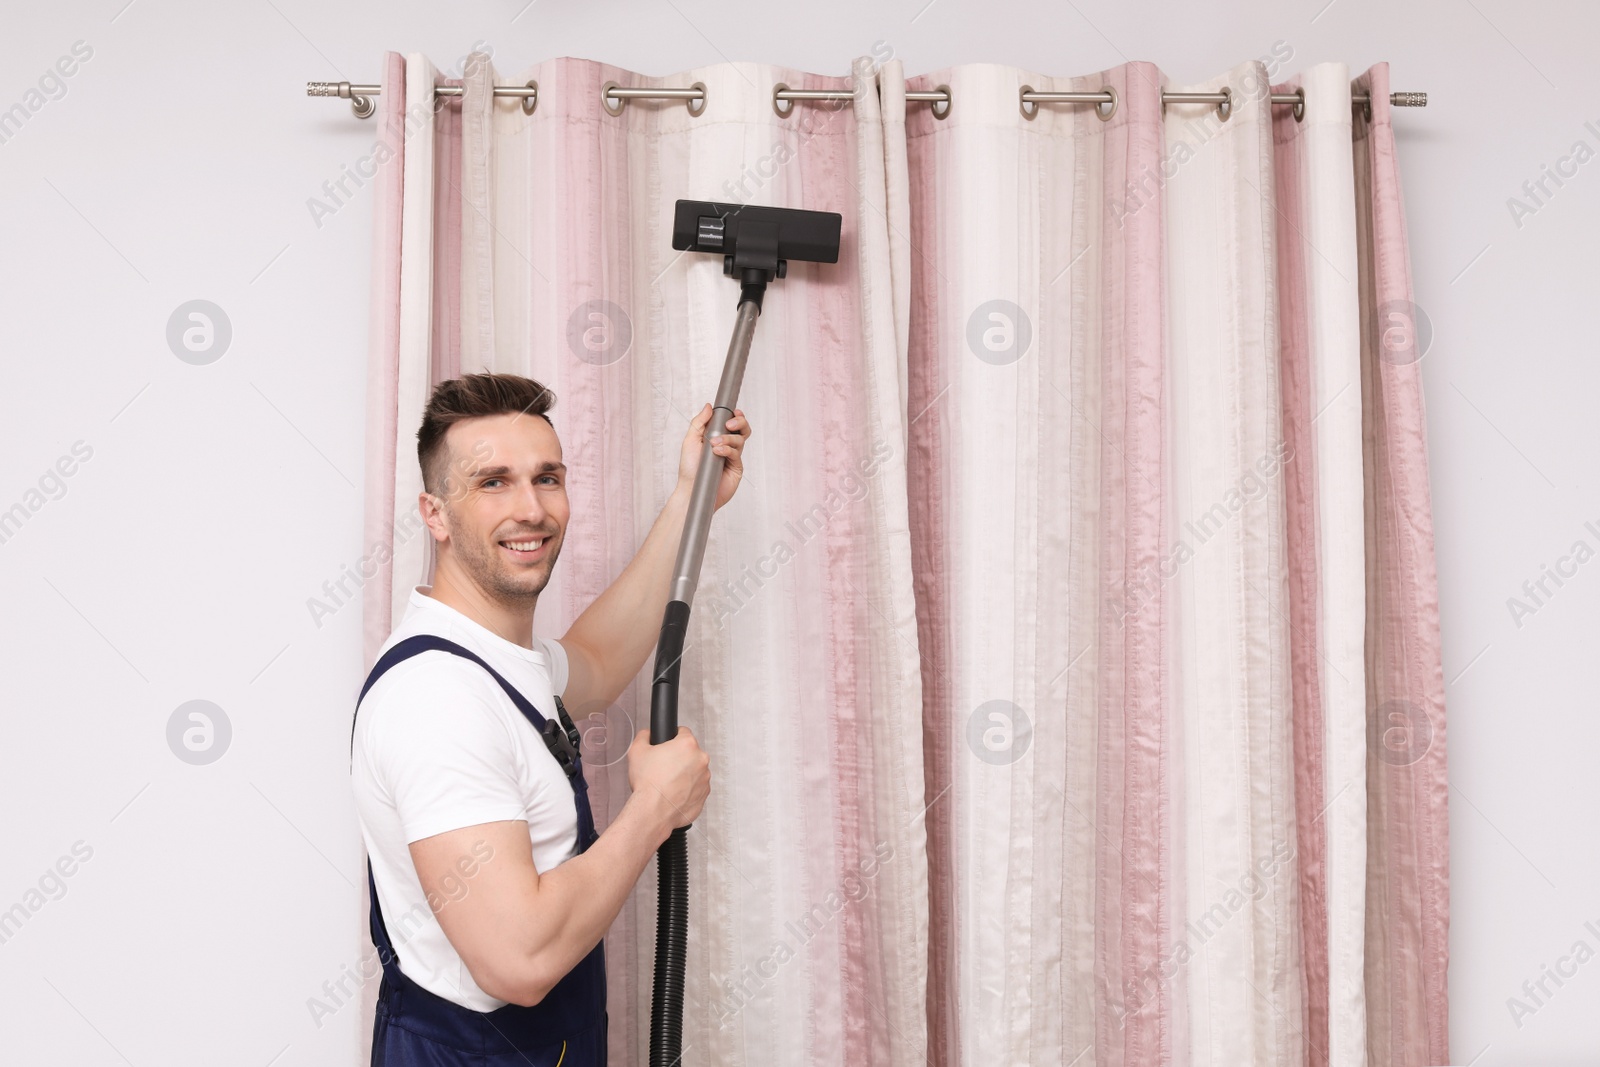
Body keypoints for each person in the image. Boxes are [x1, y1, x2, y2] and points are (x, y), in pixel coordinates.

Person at [349, 372, 750, 1065]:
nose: (530, 507)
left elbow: (597, 655)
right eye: (493, 481)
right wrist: (654, 809)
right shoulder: (439, 700)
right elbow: (519, 958)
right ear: (435, 512)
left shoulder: (493, 657)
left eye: (547, 477)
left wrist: (694, 499)